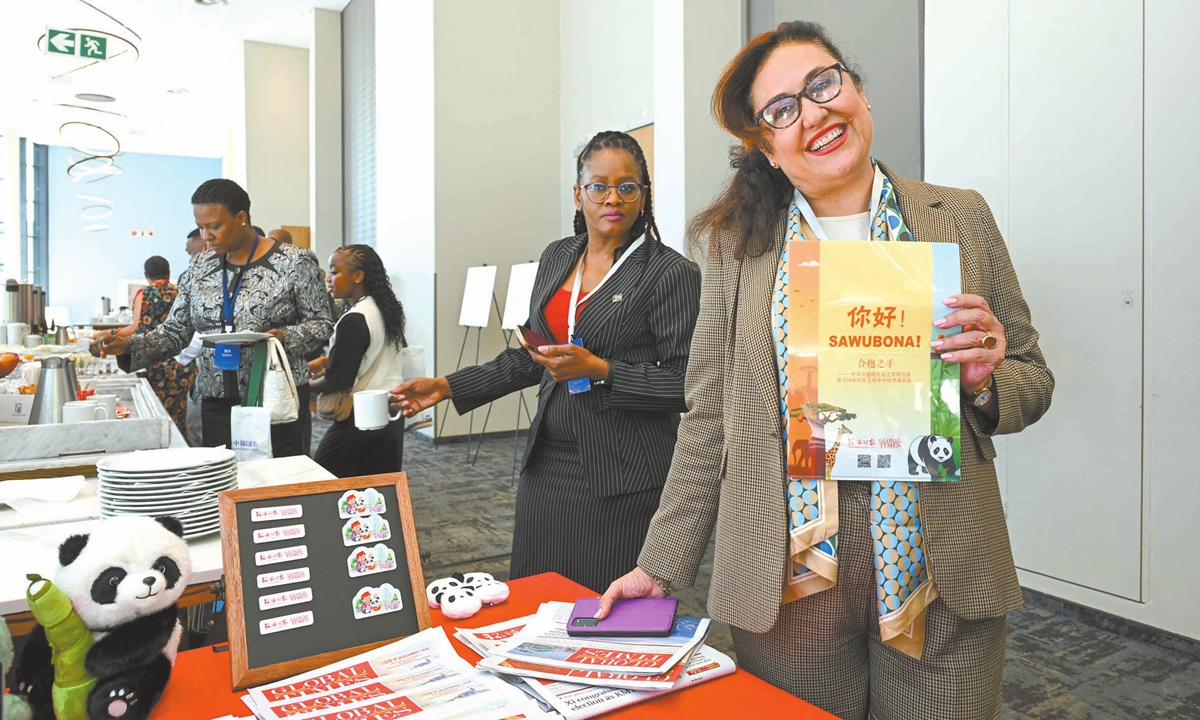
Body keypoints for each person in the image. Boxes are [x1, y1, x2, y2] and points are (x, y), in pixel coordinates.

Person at [598, 22, 1055, 720]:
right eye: (782, 110)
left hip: (939, 564)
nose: (812, 113)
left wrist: (985, 378)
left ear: (859, 92)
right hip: (788, 574)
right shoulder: (735, 244)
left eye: (822, 84)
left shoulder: (958, 217)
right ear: (767, 149)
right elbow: (710, 415)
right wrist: (660, 564)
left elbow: (1033, 378)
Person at [391, 131, 701, 592]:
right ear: (579, 194)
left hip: (621, 474)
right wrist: (448, 386)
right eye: (599, 186)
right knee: (537, 597)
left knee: (605, 612)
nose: (612, 198)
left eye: (627, 186)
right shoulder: (558, 256)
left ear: (643, 194)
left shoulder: (670, 273)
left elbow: (685, 385)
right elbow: (533, 356)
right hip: (547, 463)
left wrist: (601, 371)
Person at [90, 179, 333, 457]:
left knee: (275, 482)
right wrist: (128, 345)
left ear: (241, 218)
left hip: (273, 395)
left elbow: (322, 323)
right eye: (201, 226)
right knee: (224, 480)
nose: (206, 236)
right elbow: (175, 331)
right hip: (216, 397)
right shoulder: (200, 265)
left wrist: (281, 338)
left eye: (214, 226)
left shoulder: (293, 261)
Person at [310, 245, 406, 477]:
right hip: (391, 413)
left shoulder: (355, 318)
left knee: (324, 479)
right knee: (378, 491)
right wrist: (328, 359)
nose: (328, 278)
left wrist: (302, 387)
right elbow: (375, 350)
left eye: (334, 271)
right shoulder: (383, 309)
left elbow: (337, 381)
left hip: (361, 417)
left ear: (357, 276)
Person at [113, 256, 196, 434]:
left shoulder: (144, 294)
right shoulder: (180, 293)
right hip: (182, 362)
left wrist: (114, 334)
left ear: (146, 275)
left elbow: (136, 327)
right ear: (169, 273)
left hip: (155, 360)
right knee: (179, 415)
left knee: (157, 414)